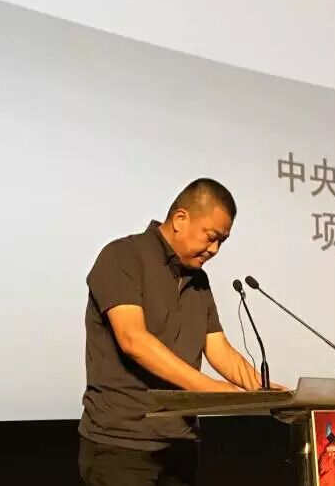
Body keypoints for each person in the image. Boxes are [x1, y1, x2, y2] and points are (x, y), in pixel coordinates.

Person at [78, 178, 277, 486]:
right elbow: (133, 340)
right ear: (180, 219)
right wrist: (210, 389)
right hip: (121, 446)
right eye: (211, 237)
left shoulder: (199, 281)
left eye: (222, 242)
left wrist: (265, 390)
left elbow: (219, 349)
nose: (214, 250)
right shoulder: (122, 256)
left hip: (180, 445)